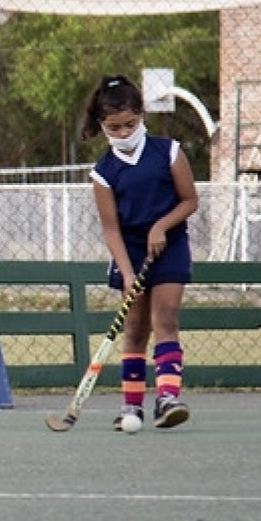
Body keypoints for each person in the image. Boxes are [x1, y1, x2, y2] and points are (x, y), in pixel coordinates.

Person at [81, 74, 198, 431]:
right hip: (129, 252)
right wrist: (128, 273)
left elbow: (190, 200)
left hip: (170, 245)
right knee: (134, 329)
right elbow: (111, 228)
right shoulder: (103, 173)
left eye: (130, 124)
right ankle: (131, 407)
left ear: (141, 116)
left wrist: (161, 226)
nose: (123, 133)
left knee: (166, 319)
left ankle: (167, 399)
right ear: (102, 126)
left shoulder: (168, 152)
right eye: (114, 127)